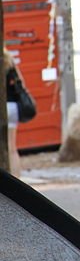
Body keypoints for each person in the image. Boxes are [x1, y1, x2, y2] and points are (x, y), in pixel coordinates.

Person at [4, 48, 24, 176]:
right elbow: (20, 81)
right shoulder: (9, 60)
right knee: (12, 148)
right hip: (12, 106)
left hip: (2, 107)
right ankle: (16, 179)